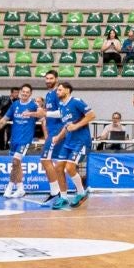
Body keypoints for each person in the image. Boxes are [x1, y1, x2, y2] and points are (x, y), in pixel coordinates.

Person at [47, 81, 94, 209]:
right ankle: (63, 197)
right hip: (68, 141)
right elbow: (67, 126)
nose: (57, 92)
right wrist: (58, 137)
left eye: (60, 90)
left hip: (81, 141)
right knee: (58, 167)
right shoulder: (62, 106)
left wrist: (76, 126)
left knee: (70, 168)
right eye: (57, 90)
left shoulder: (76, 101)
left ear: (67, 90)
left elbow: (91, 115)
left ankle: (81, 193)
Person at [2, 83, 42, 199]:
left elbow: (42, 114)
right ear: (20, 92)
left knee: (16, 162)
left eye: (27, 92)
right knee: (16, 164)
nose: (25, 93)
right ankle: (20, 189)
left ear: (30, 94)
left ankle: (10, 187)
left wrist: (31, 113)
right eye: (23, 91)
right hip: (14, 139)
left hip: (25, 140)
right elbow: (4, 119)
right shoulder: (15, 105)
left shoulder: (33, 104)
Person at [37, 69, 68, 206]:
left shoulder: (57, 93)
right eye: (47, 78)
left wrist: (46, 113)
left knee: (45, 159)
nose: (48, 81)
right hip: (52, 131)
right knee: (52, 161)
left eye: (51, 78)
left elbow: (61, 112)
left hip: (58, 130)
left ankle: (57, 191)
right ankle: (57, 191)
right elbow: (47, 114)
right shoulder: (48, 94)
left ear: (56, 79)